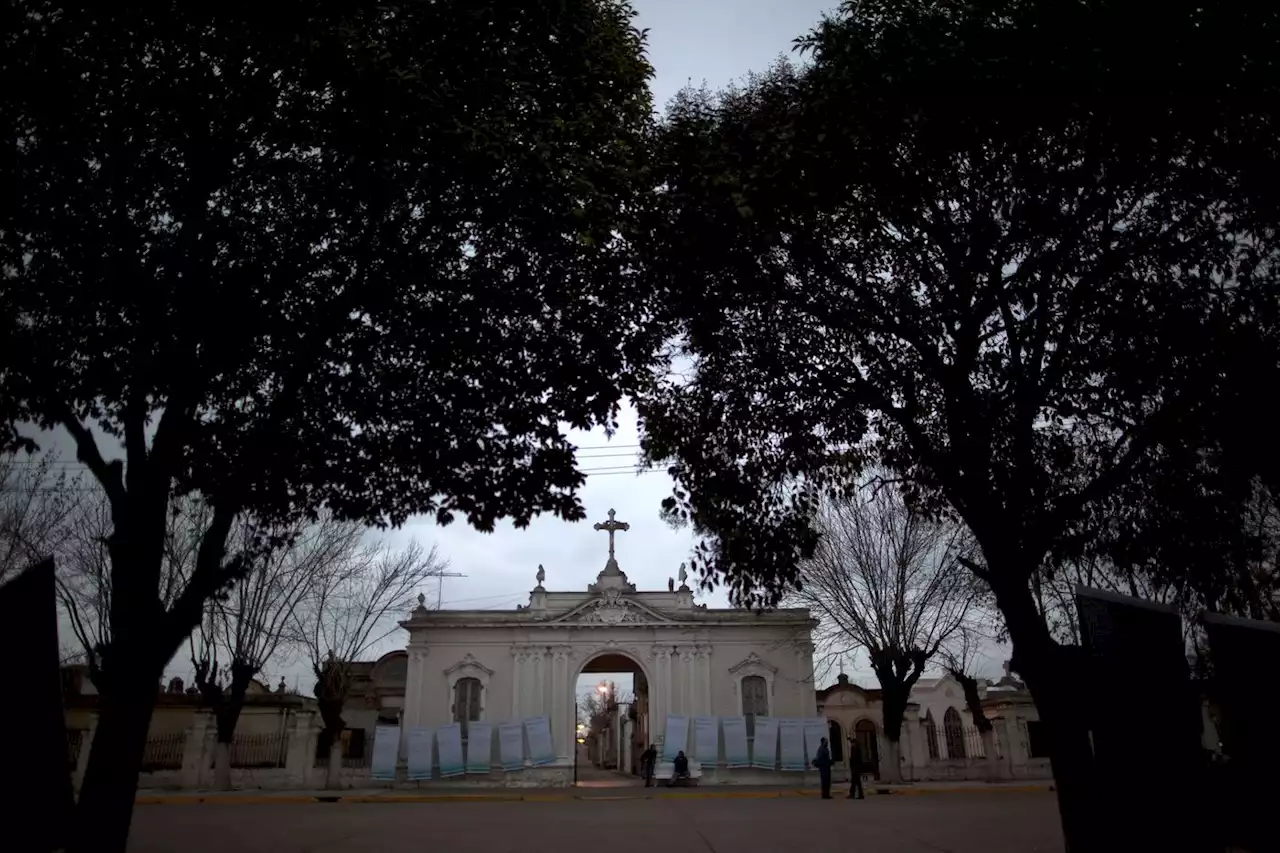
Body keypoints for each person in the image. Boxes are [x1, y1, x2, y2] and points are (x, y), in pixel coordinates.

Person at [847, 736, 865, 800]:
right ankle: (857, 794)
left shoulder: (856, 749)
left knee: (856, 782)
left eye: (852, 743)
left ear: (854, 743)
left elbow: (855, 759)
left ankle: (855, 794)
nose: (851, 744)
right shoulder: (854, 748)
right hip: (855, 768)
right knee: (855, 782)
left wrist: (851, 760)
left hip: (856, 768)